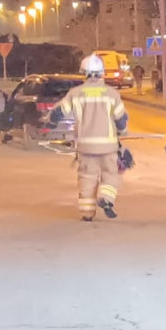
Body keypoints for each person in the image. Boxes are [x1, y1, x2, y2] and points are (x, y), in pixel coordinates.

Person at [47, 53, 128, 221]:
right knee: (111, 174)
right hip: (108, 146)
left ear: (83, 73)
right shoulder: (111, 94)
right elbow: (121, 119)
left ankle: (87, 213)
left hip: (85, 147)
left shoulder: (75, 93)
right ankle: (106, 198)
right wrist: (123, 132)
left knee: (87, 177)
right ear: (102, 72)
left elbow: (58, 112)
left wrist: (50, 123)